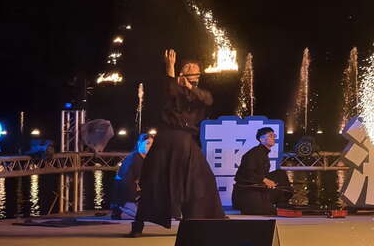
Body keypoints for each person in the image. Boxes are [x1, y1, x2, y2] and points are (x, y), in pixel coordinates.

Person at [129, 49, 225, 236]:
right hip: (166, 139)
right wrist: (170, 69)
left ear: (198, 75)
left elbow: (207, 100)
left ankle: (194, 221)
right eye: (187, 67)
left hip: (186, 142)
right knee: (155, 181)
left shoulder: (199, 94)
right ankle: (138, 224)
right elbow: (168, 91)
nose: (190, 69)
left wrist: (189, 86)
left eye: (194, 68)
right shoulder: (170, 88)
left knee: (201, 180)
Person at [232, 127, 293, 215]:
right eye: (270, 136)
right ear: (261, 139)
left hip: (257, 186)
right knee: (279, 176)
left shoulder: (263, 153)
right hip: (247, 190)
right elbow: (247, 173)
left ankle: (281, 203)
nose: (273, 138)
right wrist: (264, 180)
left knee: (280, 174)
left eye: (274, 136)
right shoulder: (254, 153)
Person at [110, 133, 153, 220]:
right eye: (147, 143)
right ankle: (120, 210)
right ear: (139, 143)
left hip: (135, 196)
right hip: (126, 198)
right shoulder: (134, 158)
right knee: (145, 215)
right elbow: (125, 182)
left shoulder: (144, 159)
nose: (150, 147)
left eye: (152, 144)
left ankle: (125, 211)